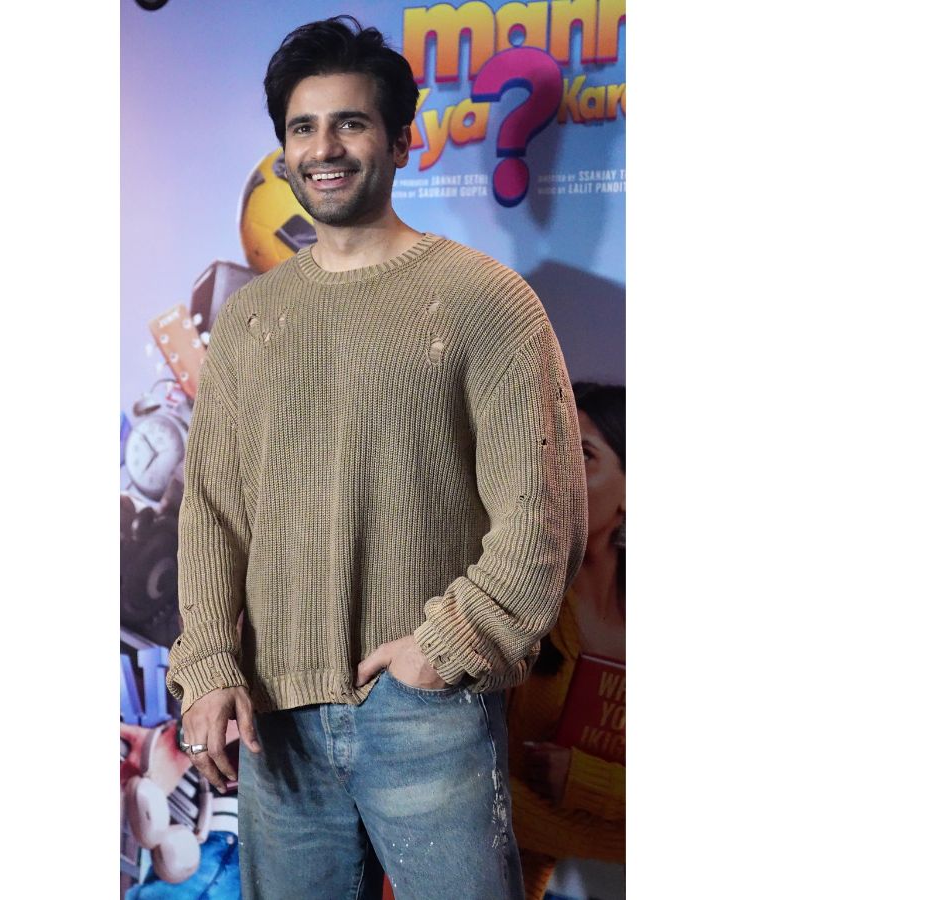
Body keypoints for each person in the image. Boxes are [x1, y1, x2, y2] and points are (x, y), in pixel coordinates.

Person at [164, 16, 588, 900]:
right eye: (303, 128)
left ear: (399, 141)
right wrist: (205, 664)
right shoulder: (251, 320)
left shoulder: (485, 300)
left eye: (350, 123)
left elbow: (543, 514)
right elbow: (211, 514)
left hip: (428, 709)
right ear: (285, 152)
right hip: (276, 721)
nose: (324, 148)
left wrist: (444, 649)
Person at [505, 383, 626, 899]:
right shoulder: (517, 603)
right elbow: (482, 796)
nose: (556, 472)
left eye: (583, 455)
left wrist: (583, 781)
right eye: (550, 450)